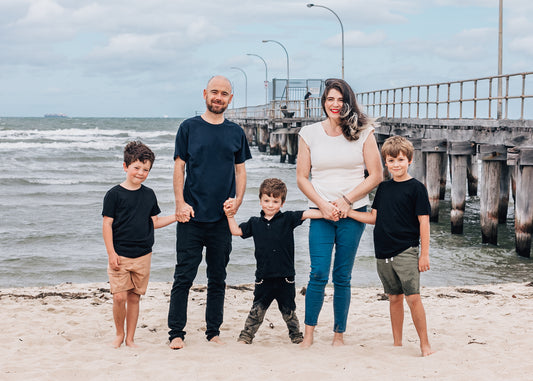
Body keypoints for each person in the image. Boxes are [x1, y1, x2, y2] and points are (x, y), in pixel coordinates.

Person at [296, 78, 383, 347]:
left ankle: (338, 335)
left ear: (348, 102)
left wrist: (346, 201)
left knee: (342, 276)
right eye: (330, 99)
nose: (335, 104)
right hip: (321, 214)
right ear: (323, 102)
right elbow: (302, 177)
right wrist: (322, 205)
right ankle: (308, 335)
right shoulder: (308, 133)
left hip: (353, 213)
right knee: (318, 273)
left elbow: (376, 175)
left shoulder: (363, 132)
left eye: (340, 99)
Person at [167, 75, 252, 349]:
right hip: (191, 216)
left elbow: (240, 169)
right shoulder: (188, 128)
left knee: (218, 277)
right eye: (214, 92)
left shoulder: (236, 132)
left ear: (230, 98)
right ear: (205, 94)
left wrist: (238, 201)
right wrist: (180, 203)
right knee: (184, 277)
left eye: (224, 93)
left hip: (220, 219)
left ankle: (213, 331)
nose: (218, 97)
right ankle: (176, 333)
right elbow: (179, 167)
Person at [348, 136, 435, 357]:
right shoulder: (383, 189)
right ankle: (397, 342)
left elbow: (424, 223)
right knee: (394, 298)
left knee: (413, 297)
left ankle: (425, 344)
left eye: (400, 160)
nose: (396, 164)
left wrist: (424, 254)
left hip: (406, 249)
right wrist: (348, 212)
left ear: (409, 161)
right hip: (382, 252)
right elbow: (373, 218)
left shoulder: (417, 188)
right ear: (385, 163)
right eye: (391, 160)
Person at [224, 178, 322, 344]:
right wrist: (229, 215)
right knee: (257, 310)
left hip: (286, 277)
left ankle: (296, 335)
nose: (270, 205)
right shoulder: (254, 223)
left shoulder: (288, 219)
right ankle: (246, 336)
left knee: (289, 311)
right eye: (266, 200)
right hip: (264, 277)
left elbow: (309, 213)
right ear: (260, 200)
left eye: (275, 201)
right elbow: (236, 231)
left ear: (282, 203)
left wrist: (330, 211)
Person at [102, 141, 176, 348]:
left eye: (146, 169)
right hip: (120, 255)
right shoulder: (114, 194)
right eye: (136, 168)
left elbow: (155, 222)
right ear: (125, 166)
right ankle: (119, 334)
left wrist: (176, 217)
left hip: (144, 255)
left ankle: (130, 339)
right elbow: (107, 224)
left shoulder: (149, 194)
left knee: (134, 298)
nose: (141, 173)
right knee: (119, 297)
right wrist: (111, 253)